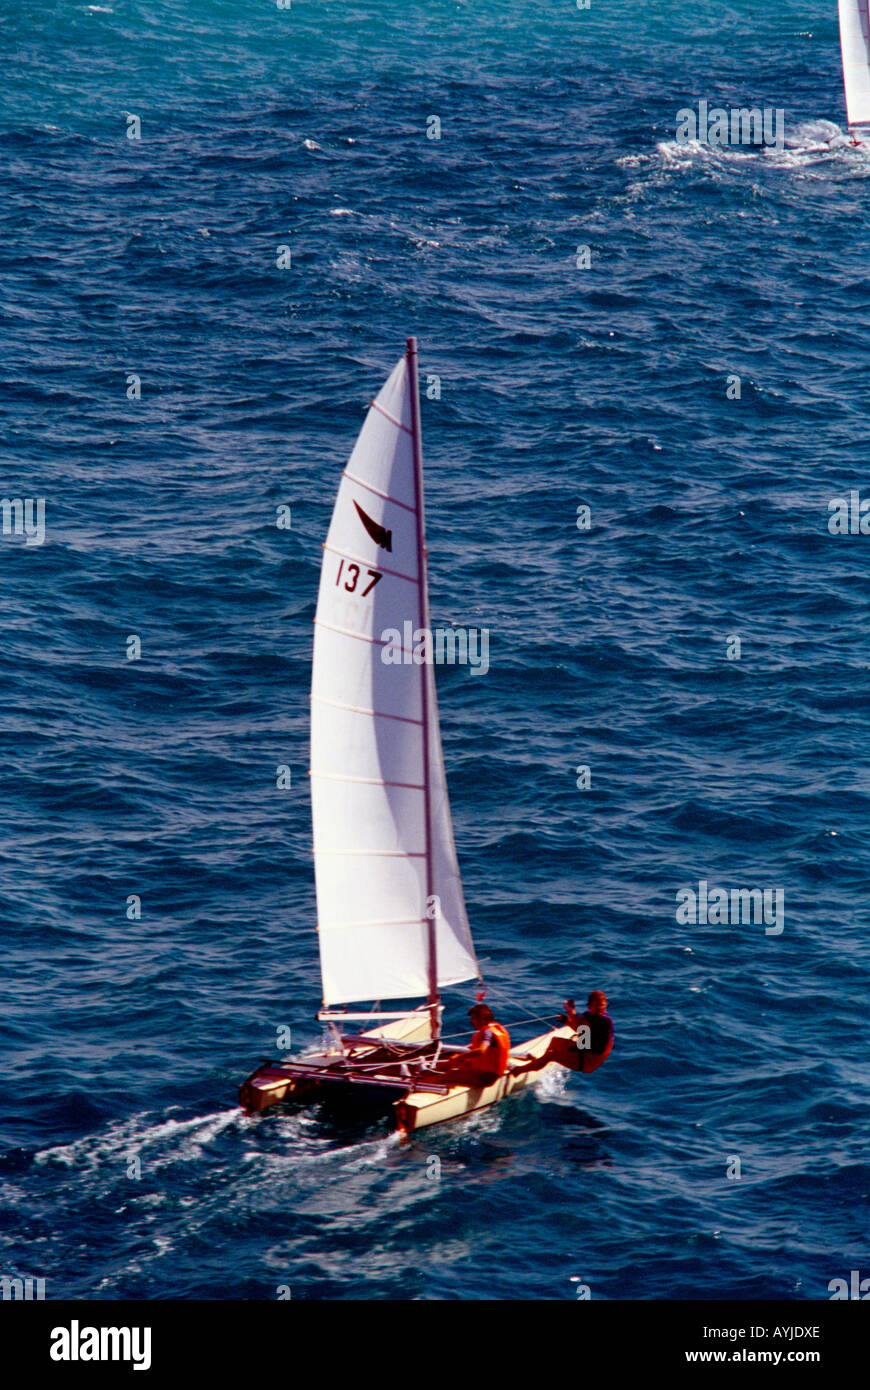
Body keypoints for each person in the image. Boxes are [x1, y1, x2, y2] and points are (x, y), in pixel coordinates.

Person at [510, 990, 613, 1076]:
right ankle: (540, 1063)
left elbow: (581, 1033)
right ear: (590, 1006)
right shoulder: (589, 1016)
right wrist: (566, 1020)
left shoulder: (603, 1021)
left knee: (552, 1055)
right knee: (555, 1041)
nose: (600, 1009)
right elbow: (582, 1032)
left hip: (587, 1061)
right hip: (584, 1048)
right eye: (598, 1006)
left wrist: (570, 1011)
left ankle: (517, 1072)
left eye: (602, 1006)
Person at [442, 1004, 511, 1087]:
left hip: (486, 1077)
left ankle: (428, 1085)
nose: (471, 1021)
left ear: (482, 1019)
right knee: (457, 1064)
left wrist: (459, 1056)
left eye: (473, 1018)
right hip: (491, 1073)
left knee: (450, 1075)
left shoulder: (487, 1032)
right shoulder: (495, 1028)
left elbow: (481, 1051)